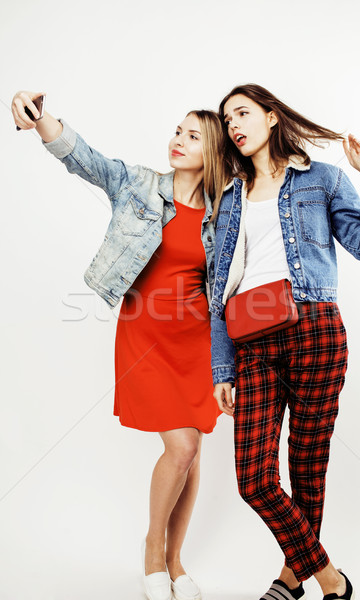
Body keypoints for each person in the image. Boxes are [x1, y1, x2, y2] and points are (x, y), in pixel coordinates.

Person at [11, 90, 227, 600]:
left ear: (213, 151)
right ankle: (153, 550)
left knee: (192, 453)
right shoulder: (139, 185)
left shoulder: (226, 211)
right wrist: (43, 120)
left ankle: (175, 562)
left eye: (192, 136)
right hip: (147, 334)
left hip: (198, 341)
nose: (178, 140)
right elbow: (84, 159)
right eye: (178, 130)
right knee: (183, 446)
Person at [210, 83, 360, 600]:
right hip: (251, 341)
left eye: (242, 113)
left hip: (315, 329)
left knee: (307, 466)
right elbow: (218, 288)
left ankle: (291, 579)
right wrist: (222, 366)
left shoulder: (322, 180)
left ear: (271, 117)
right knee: (254, 479)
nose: (234, 126)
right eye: (227, 120)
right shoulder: (228, 197)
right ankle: (330, 578)